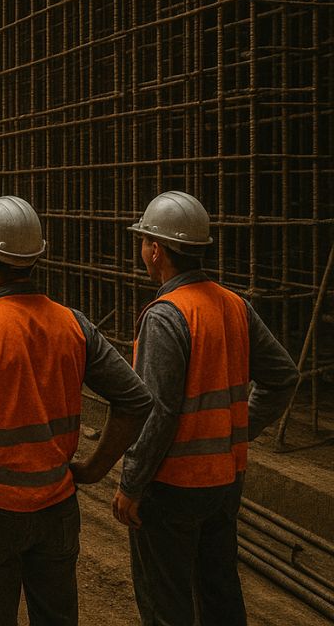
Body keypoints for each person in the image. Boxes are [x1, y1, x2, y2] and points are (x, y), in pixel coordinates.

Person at [0, 195, 153, 626]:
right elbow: (135, 399)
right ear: (36, 258)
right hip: (56, 507)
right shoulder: (74, 325)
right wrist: (95, 468)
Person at [115, 191, 298, 625]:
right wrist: (236, 428)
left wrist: (131, 484)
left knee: (166, 604)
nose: (142, 250)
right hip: (225, 481)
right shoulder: (235, 306)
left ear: (156, 249)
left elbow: (156, 414)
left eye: (144, 241)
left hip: (172, 488)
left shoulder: (166, 315)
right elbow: (283, 377)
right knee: (219, 597)